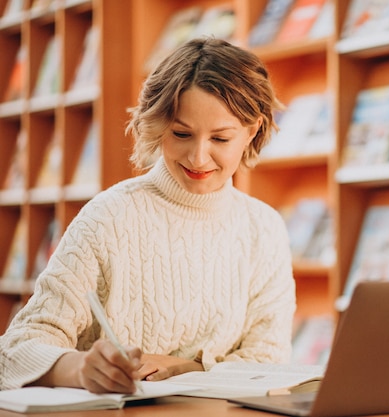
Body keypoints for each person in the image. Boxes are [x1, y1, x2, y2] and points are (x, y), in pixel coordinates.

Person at [0, 38, 296, 393]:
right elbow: (15, 350)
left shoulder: (264, 228)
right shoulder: (109, 217)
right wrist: (79, 369)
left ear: (251, 131)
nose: (198, 157)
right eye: (181, 134)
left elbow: (270, 359)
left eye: (220, 139)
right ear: (156, 125)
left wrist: (182, 368)